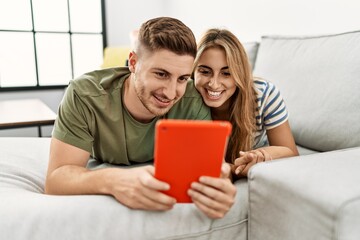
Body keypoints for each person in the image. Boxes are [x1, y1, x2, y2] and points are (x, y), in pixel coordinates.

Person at [45, 17, 236, 219]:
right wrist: (114, 180)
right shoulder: (84, 95)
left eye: (182, 78)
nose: (171, 93)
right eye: (161, 74)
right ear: (134, 63)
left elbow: (213, 168)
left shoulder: (192, 99)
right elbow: (55, 180)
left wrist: (222, 180)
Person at [192, 28, 299, 180]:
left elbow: (291, 153)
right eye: (205, 71)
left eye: (226, 73)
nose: (214, 84)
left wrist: (262, 155)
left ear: (239, 74)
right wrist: (232, 169)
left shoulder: (264, 94)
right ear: (193, 71)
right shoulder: (186, 97)